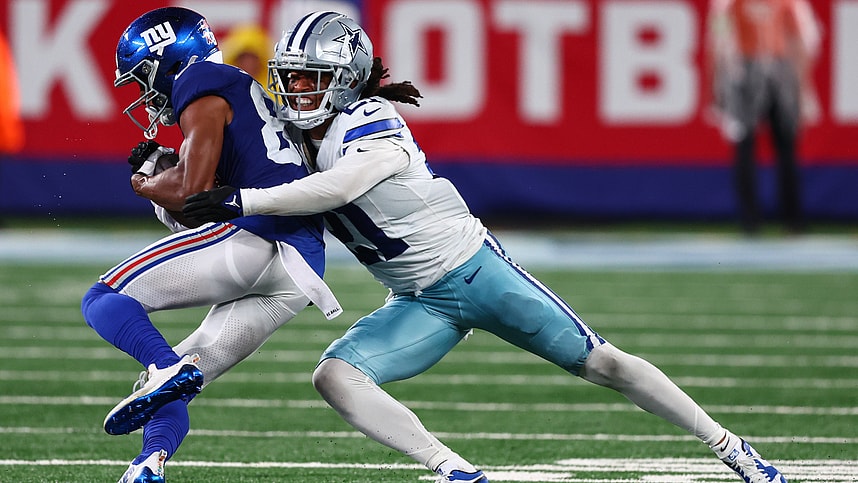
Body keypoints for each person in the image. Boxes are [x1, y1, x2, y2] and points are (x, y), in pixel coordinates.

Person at [183, 11, 788, 483]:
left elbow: (339, 186)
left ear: (344, 82)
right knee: (336, 377)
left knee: (604, 364)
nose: (297, 91)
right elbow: (221, 154)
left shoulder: (370, 118)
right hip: (418, 300)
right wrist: (170, 171)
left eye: (311, 79)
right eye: (289, 78)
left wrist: (246, 200)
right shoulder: (289, 137)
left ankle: (732, 449)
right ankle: (455, 469)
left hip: (474, 272)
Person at [80, 7, 341, 482]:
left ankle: (163, 366)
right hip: (301, 266)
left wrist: (145, 182)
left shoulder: (199, 79)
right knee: (168, 389)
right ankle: (147, 465)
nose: (142, 92)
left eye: (142, 77)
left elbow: (192, 193)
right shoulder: (236, 91)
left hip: (258, 236)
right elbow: (197, 213)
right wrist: (167, 172)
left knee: (103, 299)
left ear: (167, 58)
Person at [706, 0, 820, 235]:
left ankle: (756, 221)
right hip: (769, 69)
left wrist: (716, 85)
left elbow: (717, 42)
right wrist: (803, 87)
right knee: (774, 148)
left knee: (758, 148)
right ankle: (786, 220)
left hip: (750, 71)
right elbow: (802, 42)